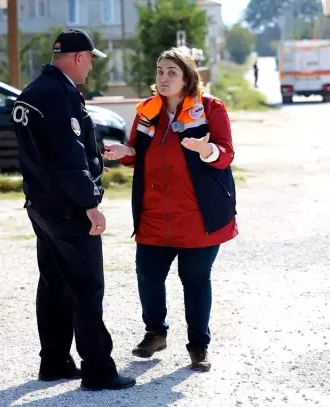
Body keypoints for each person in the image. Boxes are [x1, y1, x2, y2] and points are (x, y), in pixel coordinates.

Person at [11, 29, 136, 390]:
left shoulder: (33, 91)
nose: (90, 69)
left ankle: (53, 362)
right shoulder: (60, 95)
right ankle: (98, 370)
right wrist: (89, 203)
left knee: (53, 285)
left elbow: (46, 153)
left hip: (40, 205)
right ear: (79, 57)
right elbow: (66, 160)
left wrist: (93, 165)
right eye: (90, 61)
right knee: (86, 287)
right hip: (67, 209)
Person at [103, 48, 238, 372]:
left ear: (187, 76)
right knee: (147, 277)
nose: (163, 78)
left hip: (198, 218)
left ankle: (199, 345)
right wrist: (124, 150)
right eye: (160, 71)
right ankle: (155, 332)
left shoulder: (210, 109)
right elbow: (136, 152)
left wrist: (206, 148)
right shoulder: (148, 110)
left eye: (171, 72)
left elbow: (226, 154)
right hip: (153, 216)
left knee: (194, 280)